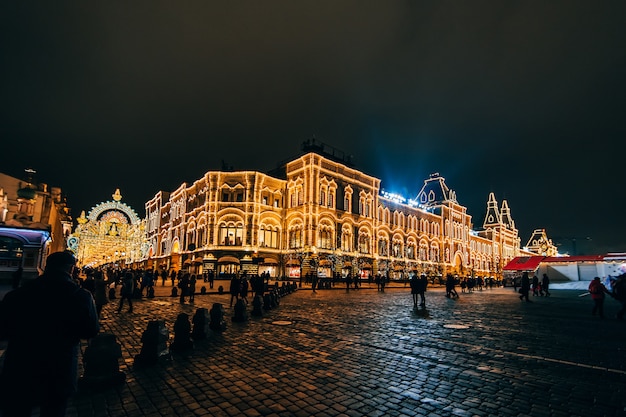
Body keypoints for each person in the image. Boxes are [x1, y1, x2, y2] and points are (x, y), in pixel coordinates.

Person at [0, 251, 99, 417]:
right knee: (54, 410)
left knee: (17, 409)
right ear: (71, 269)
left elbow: (3, 330)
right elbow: (91, 330)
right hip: (59, 365)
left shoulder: (17, 295)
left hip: (20, 365)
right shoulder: (81, 296)